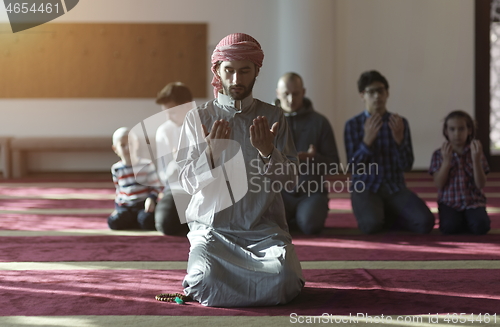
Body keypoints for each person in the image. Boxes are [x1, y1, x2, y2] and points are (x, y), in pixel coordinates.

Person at [174, 33, 304, 307]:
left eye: (244, 71)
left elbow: (291, 181)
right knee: (203, 280)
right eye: (229, 71)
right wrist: (210, 155)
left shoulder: (274, 117)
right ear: (217, 72)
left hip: (263, 232)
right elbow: (186, 184)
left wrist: (269, 151)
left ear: (257, 70)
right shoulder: (197, 118)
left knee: (285, 278)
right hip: (213, 231)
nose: (236, 80)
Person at [344, 70, 435, 234]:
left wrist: (399, 140)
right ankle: (385, 214)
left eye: (380, 91)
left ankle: (388, 213)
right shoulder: (353, 125)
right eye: (371, 92)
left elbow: (407, 165)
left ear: (387, 93)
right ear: (362, 95)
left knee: (425, 223)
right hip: (366, 187)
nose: (377, 96)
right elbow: (353, 167)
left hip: (395, 187)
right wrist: (367, 142)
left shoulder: (399, 123)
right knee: (370, 226)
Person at [275, 72, 339, 234]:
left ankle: (300, 216)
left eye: (295, 94)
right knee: (269, 228)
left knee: (311, 225)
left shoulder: (320, 122)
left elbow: (334, 166)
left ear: (303, 92)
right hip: (278, 193)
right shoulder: (267, 121)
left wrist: (313, 158)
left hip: (311, 191)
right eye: (286, 94)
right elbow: (253, 164)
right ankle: (291, 217)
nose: (290, 99)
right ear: (277, 94)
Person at [429, 110, 490, 234]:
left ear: (469, 131)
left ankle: (469, 218)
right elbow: (439, 184)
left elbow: (481, 184)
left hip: (473, 201)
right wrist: (446, 162)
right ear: (446, 131)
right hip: (450, 202)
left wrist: (476, 161)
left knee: (481, 227)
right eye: (452, 129)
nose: (457, 134)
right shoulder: (438, 154)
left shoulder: (476, 152)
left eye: (461, 129)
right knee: (449, 228)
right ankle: (462, 220)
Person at [154, 82, 195, 235]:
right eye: (165, 112)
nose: (168, 117)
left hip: (203, 189)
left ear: (187, 106)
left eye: (171, 112)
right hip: (177, 190)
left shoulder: (204, 124)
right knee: (165, 223)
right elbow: (164, 174)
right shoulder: (164, 131)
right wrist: (177, 161)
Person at [108, 127, 162, 230]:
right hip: (127, 206)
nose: (127, 148)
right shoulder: (116, 169)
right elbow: (119, 191)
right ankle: (133, 221)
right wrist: (117, 208)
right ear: (115, 149)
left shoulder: (146, 165)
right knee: (113, 222)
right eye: (123, 145)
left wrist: (151, 199)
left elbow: (156, 186)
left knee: (147, 221)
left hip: (143, 204)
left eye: (130, 144)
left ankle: (137, 221)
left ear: (136, 144)